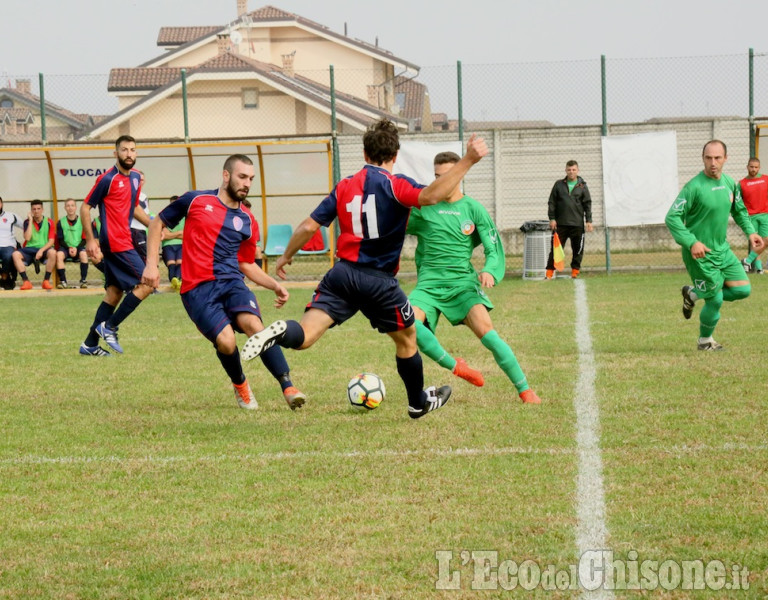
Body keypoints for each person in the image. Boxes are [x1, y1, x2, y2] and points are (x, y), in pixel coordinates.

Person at [240, 118, 488, 419]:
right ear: (395, 156)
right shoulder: (397, 185)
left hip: (341, 275)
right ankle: (416, 403)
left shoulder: (344, 186)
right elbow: (432, 195)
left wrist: (285, 256)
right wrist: (469, 160)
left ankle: (279, 333)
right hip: (379, 281)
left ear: (364, 153)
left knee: (305, 335)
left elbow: (308, 226)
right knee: (407, 338)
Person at [141, 154, 306, 411]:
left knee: (255, 326)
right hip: (197, 288)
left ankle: (288, 387)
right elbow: (157, 223)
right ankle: (240, 384)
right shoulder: (196, 200)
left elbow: (246, 263)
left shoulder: (248, 221)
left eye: (251, 178)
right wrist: (151, 264)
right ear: (226, 175)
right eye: (242, 177)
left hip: (232, 283)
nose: (247, 183)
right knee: (227, 342)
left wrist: (274, 285)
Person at [406, 151, 541, 404]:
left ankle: (525, 390)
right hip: (429, 285)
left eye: (445, 176)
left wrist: (490, 269)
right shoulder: (423, 207)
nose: (439, 182)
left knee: (488, 334)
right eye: (436, 177)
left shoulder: (473, 208)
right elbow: (389, 229)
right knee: (408, 326)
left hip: (463, 285)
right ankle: (456, 366)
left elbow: (492, 246)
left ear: (460, 174)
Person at [666, 139, 764, 351]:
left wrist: (750, 232)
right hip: (700, 255)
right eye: (708, 158)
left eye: (717, 158)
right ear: (703, 159)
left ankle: (693, 293)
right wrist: (692, 242)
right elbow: (672, 218)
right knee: (716, 299)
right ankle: (704, 341)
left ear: (725, 159)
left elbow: (738, 210)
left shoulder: (730, 183)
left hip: (723, 250)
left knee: (743, 290)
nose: (713, 162)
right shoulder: (693, 187)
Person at [79, 135, 153, 357]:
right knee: (148, 283)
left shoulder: (136, 178)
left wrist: (156, 225)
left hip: (123, 240)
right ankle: (109, 327)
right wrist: (91, 240)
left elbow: (134, 209)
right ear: (116, 153)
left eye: (132, 150)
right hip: (115, 242)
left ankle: (90, 345)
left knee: (114, 292)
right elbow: (85, 207)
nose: (129, 154)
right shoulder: (107, 179)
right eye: (124, 150)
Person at [545, 160, 593, 279]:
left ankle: (575, 272)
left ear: (578, 170)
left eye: (574, 170)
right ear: (566, 170)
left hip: (577, 224)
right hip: (560, 224)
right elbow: (552, 202)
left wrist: (589, 221)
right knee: (555, 250)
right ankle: (549, 273)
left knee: (577, 249)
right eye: (569, 170)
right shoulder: (558, 185)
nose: (571, 172)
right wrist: (552, 218)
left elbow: (587, 204)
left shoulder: (583, 186)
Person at [12, 199, 56, 290]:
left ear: (42, 210)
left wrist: (41, 250)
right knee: (15, 254)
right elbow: (27, 238)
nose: (36, 211)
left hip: (43, 249)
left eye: (38, 209)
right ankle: (26, 281)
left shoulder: (49, 222)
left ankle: (46, 281)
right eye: (34, 209)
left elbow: (51, 241)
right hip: (29, 249)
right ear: (31, 211)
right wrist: (31, 220)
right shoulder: (27, 222)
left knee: (53, 253)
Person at [738, 157, 768, 274]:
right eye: (751, 167)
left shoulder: (766, 179)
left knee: (765, 240)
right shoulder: (742, 184)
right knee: (756, 243)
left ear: (759, 168)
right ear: (747, 167)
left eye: (756, 167)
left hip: (765, 214)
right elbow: (737, 202)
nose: (753, 169)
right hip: (750, 216)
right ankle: (759, 269)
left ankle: (747, 260)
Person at [55, 198, 90, 289]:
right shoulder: (60, 222)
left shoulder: (82, 221)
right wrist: (69, 248)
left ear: (75, 207)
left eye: (72, 206)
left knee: (83, 254)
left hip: (79, 246)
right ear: (65, 208)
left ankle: (83, 280)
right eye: (68, 206)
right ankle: (63, 281)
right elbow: (60, 239)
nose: (70, 208)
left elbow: (84, 239)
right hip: (65, 247)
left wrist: (76, 248)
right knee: (59, 255)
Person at [160, 195, 184, 291]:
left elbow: (186, 234)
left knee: (180, 262)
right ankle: (175, 283)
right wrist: (178, 233)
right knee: (171, 263)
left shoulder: (184, 217)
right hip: (168, 245)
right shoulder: (165, 217)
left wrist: (171, 234)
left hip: (181, 244)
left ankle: (177, 282)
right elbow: (164, 235)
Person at [0, 196, 22, 290]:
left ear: (1, 204)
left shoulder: (11, 216)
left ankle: (4, 276)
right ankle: (5, 277)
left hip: (8, 245)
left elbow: (25, 226)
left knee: (9, 256)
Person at [130, 171, 152, 262]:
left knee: (144, 257)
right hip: (134, 230)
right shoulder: (131, 194)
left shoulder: (143, 196)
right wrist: (154, 226)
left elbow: (146, 214)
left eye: (142, 180)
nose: (140, 182)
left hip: (141, 231)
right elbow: (138, 213)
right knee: (144, 258)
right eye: (138, 179)